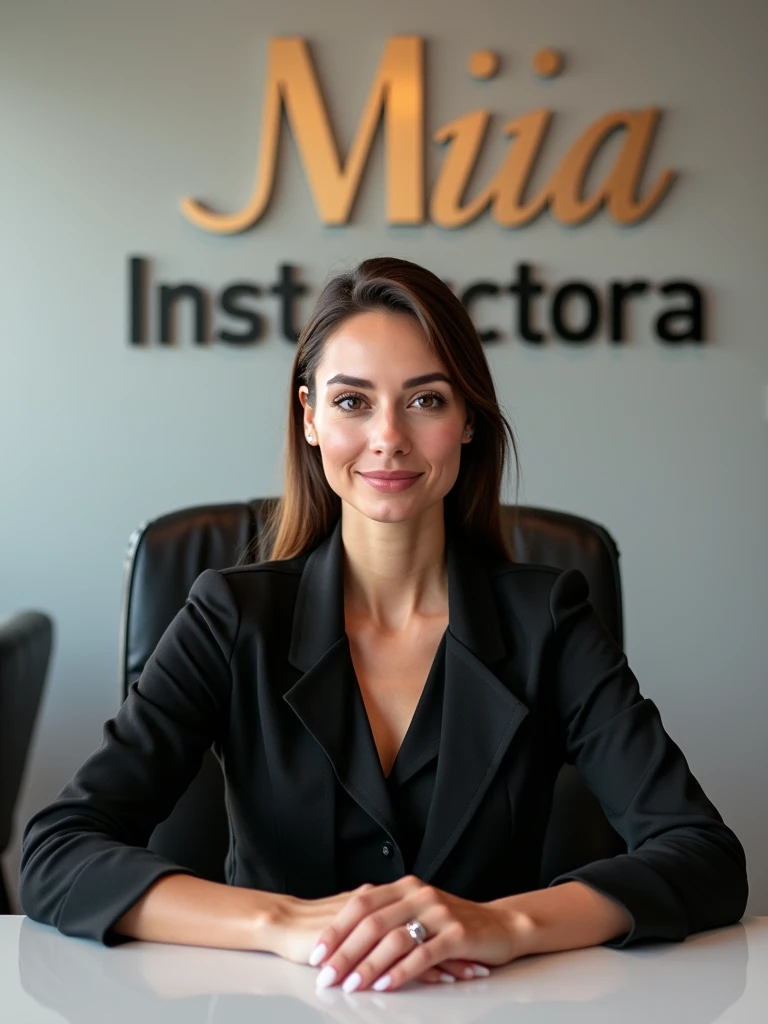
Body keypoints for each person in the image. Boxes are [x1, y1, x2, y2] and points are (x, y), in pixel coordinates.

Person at [20, 257, 748, 995]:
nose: (389, 437)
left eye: (426, 400)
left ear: (467, 419)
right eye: (352, 402)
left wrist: (506, 924)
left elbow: (701, 855)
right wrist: (283, 924)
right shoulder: (232, 616)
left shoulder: (548, 619)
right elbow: (59, 852)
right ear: (309, 416)